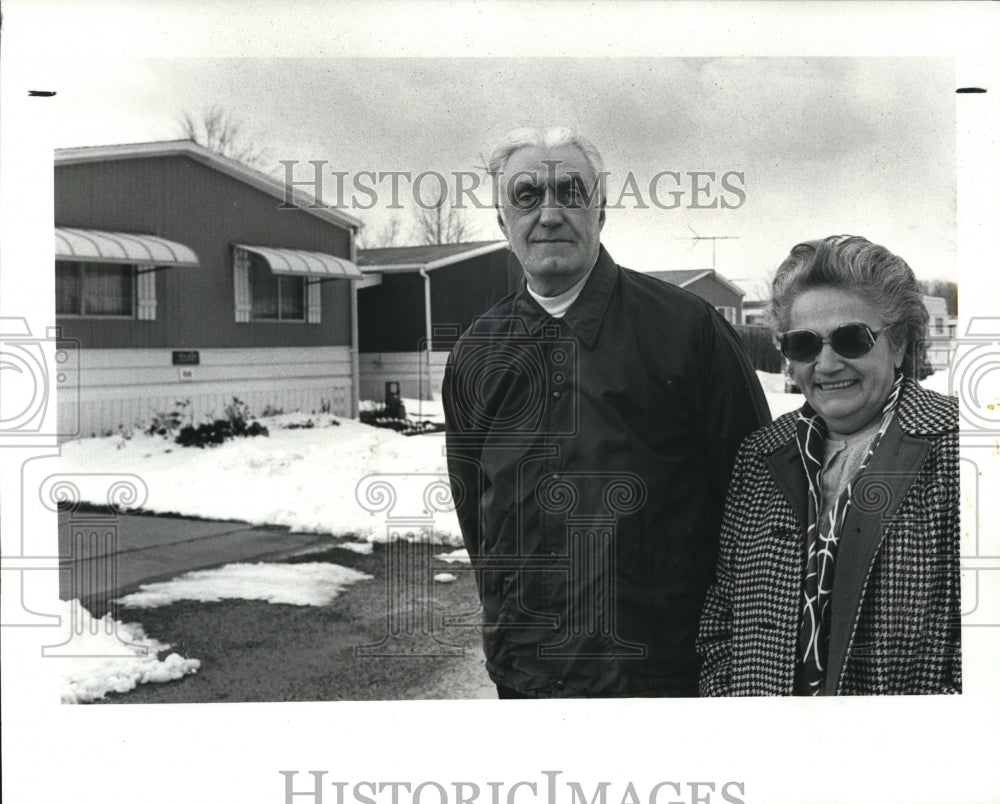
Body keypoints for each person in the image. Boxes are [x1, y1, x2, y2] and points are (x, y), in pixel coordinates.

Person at [442, 126, 770, 698]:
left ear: (601, 211)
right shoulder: (478, 350)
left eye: (570, 192)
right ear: (502, 224)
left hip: (660, 679)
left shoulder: (687, 331)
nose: (548, 214)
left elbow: (758, 503)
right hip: (528, 676)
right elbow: (476, 513)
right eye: (526, 197)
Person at [697, 235, 961, 696]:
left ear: (898, 345)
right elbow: (721, 625)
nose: (827, 363)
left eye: (851, 339)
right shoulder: (760, 456)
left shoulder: (962, 450)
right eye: (803, 345)